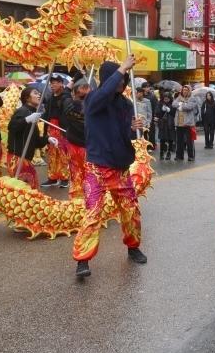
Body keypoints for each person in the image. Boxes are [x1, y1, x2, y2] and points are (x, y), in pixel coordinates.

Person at [73, 56, 146, 278]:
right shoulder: (93, 99)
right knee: (93, 213)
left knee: (131, 211)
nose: (123, 83)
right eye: (119, 78)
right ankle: (82, 260)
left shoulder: (126, 104)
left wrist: (135, 128)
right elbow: (103, 94)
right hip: (97, 168)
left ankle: (133, 247)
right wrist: (122, 68)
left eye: (124, 78)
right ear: (108, 80)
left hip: (121, 168)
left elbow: (128, 135)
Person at [7, 86, 52, 189]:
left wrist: (47, 139)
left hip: (25, 158)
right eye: (35, 93)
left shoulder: (32, 113)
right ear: (27, 98)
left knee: (30, 188)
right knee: (25, 190)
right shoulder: (22, 111)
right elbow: (12, 127)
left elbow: (35, 142)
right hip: (17, 157)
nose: (39, 95)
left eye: (39, 93)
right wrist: (27, 119)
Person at [42, 73, 73, 188]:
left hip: (61, 129)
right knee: (51, 154)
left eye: (55, 83)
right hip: (51, 127)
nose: (52, 85)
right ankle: (52, 177)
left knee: (62, 153)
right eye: (51, 83)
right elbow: (47, 114)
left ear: (61, 83)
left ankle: (65, 177)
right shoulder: (50, 98)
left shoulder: (66, 96)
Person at [64, 79, 90, 197]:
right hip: (89, 146)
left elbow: (65, 93)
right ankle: (89, 197)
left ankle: (76, 197)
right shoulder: (93, 107)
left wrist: (73, 82)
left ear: (75, 94)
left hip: (73, 145)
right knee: (89, 173)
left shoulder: (68, 104)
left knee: (75, 172)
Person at [173, 85, 198, 162]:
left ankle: (191, 156)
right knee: (179, 140)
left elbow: (189, 107)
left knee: (189, 141)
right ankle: (179, 156)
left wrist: (181, 106)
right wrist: (181, 105)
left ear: (189, 91)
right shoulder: (179, 97)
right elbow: (174, 104)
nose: (184, 91)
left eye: (186, 90)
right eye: (183, 90)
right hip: (179, 122)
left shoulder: (192, 98)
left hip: (188, 123)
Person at [156, 93, 176, 160]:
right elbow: (157, 114)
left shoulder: (173, 104)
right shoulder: (160, 103)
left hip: (170, 124)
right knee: (162, 139)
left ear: (170, 98)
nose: (166, 99)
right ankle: (161, 153)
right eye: (165, 98)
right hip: (162, 124)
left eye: (167, 98)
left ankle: (169, 153)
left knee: (170, 139)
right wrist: (162, 110)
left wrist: (169, 110)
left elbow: (174, 114)